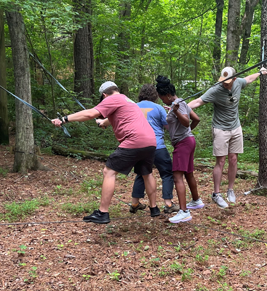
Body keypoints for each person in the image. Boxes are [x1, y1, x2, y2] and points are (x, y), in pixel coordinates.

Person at [51, 81, 160, 223]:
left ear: (104, 95)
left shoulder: (112, 99)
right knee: (147, 173)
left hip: (134, 140)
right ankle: (154, 208)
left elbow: (90, 114)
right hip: (150, 141)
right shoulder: (128, 100)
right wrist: (103, 122)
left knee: (109, 172)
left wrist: (64, 119)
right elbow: (114, 117)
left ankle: (103, 213)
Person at [187, 65, 267, 208]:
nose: (224, 83)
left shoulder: (238, 83)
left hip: (235, 127)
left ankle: (230, 190)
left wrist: (260, 73)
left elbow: (248, 79)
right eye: (223, 81)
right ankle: (216, 194)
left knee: (233, 159)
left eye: (227, 81)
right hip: (220, 129)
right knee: (221, 161)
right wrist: (182, 107)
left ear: (234, 79)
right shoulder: (216, 90)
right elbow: (198, 101)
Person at [156, 75, 204, 223]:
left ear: (168, 95)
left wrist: (175, 112)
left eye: (162, 98)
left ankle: (184, 211)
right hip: (188, 141)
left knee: (177, 176)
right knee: (188, 173)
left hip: (183, 143)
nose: (162, 100)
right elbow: (196, 119)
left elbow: (187, 122)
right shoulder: (179, 103)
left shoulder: (178, 104)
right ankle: (196, 201)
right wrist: (173, 111)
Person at [130, 84, 179, 215]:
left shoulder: (133, 107)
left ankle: (135, 202)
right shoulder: (158, 108)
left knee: (142, 173)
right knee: (167, 173)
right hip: (157, 145)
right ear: (155, 95)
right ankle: (168, 203)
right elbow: (168, 127)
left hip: (139, 146)